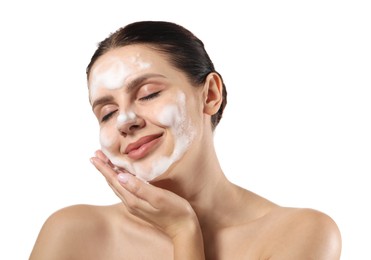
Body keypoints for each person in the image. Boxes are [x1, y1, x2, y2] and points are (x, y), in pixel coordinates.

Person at [30, 21, 342, 259]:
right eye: (107, 113)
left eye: (148, 94)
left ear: (210, 95)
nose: (125, 121)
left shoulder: (300, 233)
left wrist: (184, 232)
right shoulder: (73, 232)